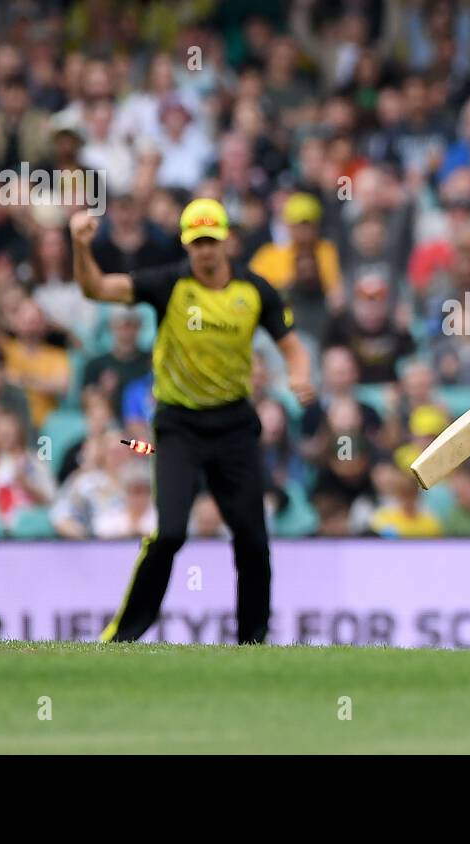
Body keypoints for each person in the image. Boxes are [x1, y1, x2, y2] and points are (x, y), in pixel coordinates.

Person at [70, 198, 315, 645]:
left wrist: (299, 377)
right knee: (169, 534)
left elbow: (292, 344)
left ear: (226, 241)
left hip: (236, 426)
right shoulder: (169, 285)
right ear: (186, 245)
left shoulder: (256, 291)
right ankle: (123, 635)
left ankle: (253, 642)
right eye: (196, 243)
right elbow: (96, 289)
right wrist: (80, 246)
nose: (204, 251)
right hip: (179, 426)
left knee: (253, 538)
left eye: (211, 241)